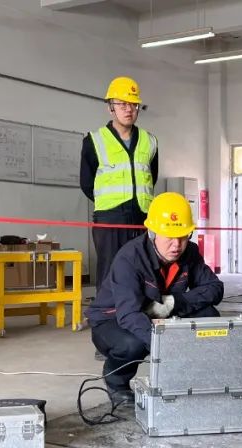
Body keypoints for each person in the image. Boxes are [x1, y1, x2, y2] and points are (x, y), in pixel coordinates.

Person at [84, 192, 224, 406]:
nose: (176, 245)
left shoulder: (190, 252)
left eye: (183, 236)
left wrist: (175, 303)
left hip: (159, 311)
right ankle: (116, 383)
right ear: (152, 233)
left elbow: (215, 288)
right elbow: (129, 315)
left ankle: (195, 375)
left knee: (209, 316)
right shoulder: (130, 257)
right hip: (113, 318)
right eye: (169, 237)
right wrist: (165, 347)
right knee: (132, 344)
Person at [80, 76, 160, 292]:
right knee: (110, 273)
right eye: (122, 104)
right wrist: (112, 202)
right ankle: (107, 311)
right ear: (110, 107)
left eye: (134, 104)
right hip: (110, 220)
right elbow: (87, 184)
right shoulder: (94, 141)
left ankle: (139, 310)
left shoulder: (150, 141)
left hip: (142, 218)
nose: (129, 109)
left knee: (143, 271)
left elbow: (151, 177)